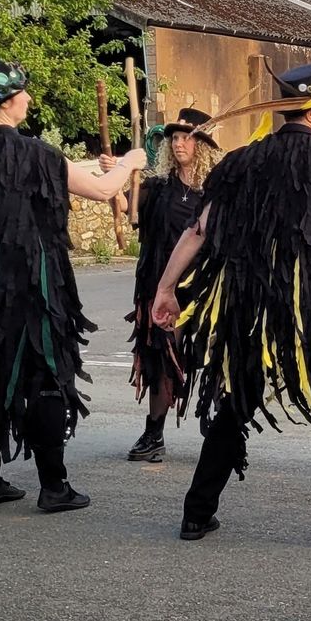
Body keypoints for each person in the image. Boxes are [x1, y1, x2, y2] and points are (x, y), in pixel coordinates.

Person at [151, 63, 311, 547]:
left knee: (235, 404)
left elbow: (197, 230)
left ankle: (196, 515)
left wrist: (165, 288)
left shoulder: (241, 161)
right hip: (310, 310)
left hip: (248, 309)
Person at [0, 59, 146, 511]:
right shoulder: (32, 152)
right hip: (29, 287)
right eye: (22, 92)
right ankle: (54, 487)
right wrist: (131, 162)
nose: (28, 99)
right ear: (7, 101)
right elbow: (102, 191)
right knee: (45, 375)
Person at [99, 108, 224, 463]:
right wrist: (116, 178)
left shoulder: (215, 192)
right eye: (176, 137)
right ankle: (154, 432)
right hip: (160, 287)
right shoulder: (157, 187)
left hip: (204, 289)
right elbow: (126, 207)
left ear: (202, 144)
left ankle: (222, 430)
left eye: (187, 137)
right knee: (161, 358)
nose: (180, 143)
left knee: (214, 359)